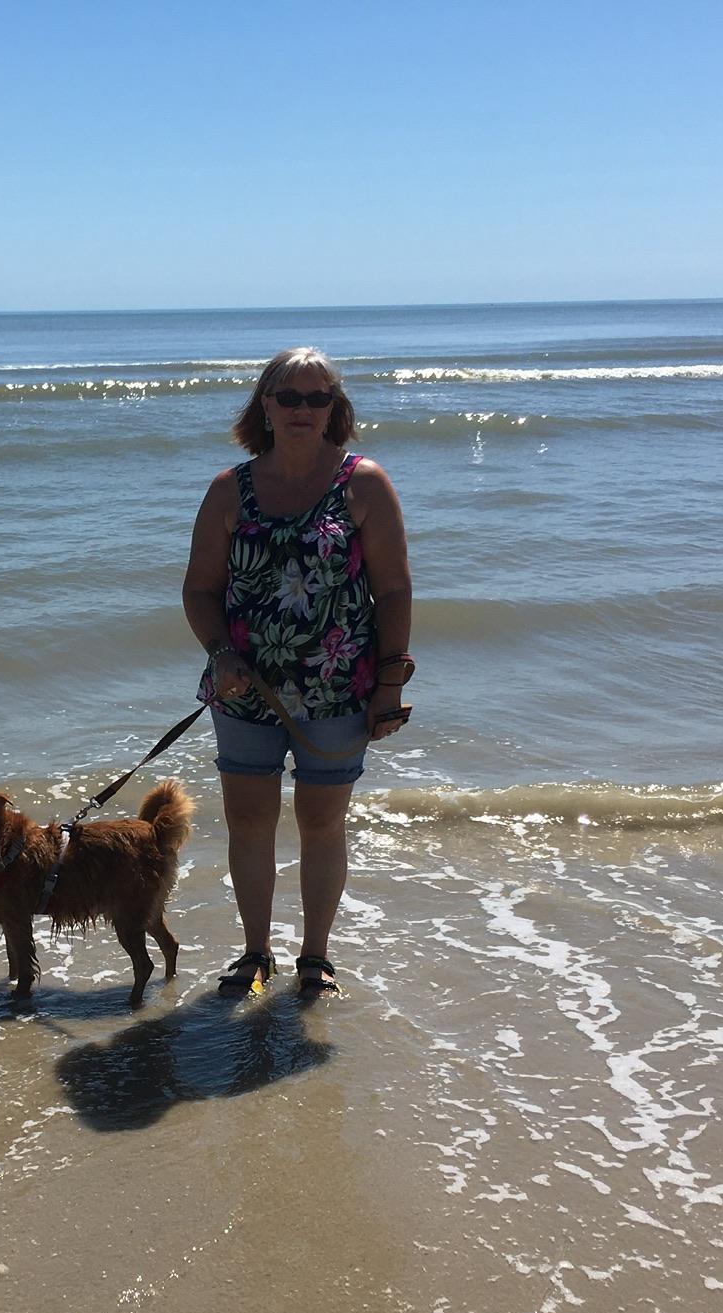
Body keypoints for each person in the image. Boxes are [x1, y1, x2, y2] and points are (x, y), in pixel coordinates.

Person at [181, 347, 414, 997]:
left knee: (320, 823)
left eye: (317, 399)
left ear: (335, 408)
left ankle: (314, 956)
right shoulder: (230, 489)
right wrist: (219, 653)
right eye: (289, 397)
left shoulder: (363, 483)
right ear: (265, 405)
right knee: (248, 821)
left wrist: (390, 684)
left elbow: (393, 590)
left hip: (339, 687)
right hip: (244, 691)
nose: (303, 410)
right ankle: (254, 953)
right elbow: (199, 589)